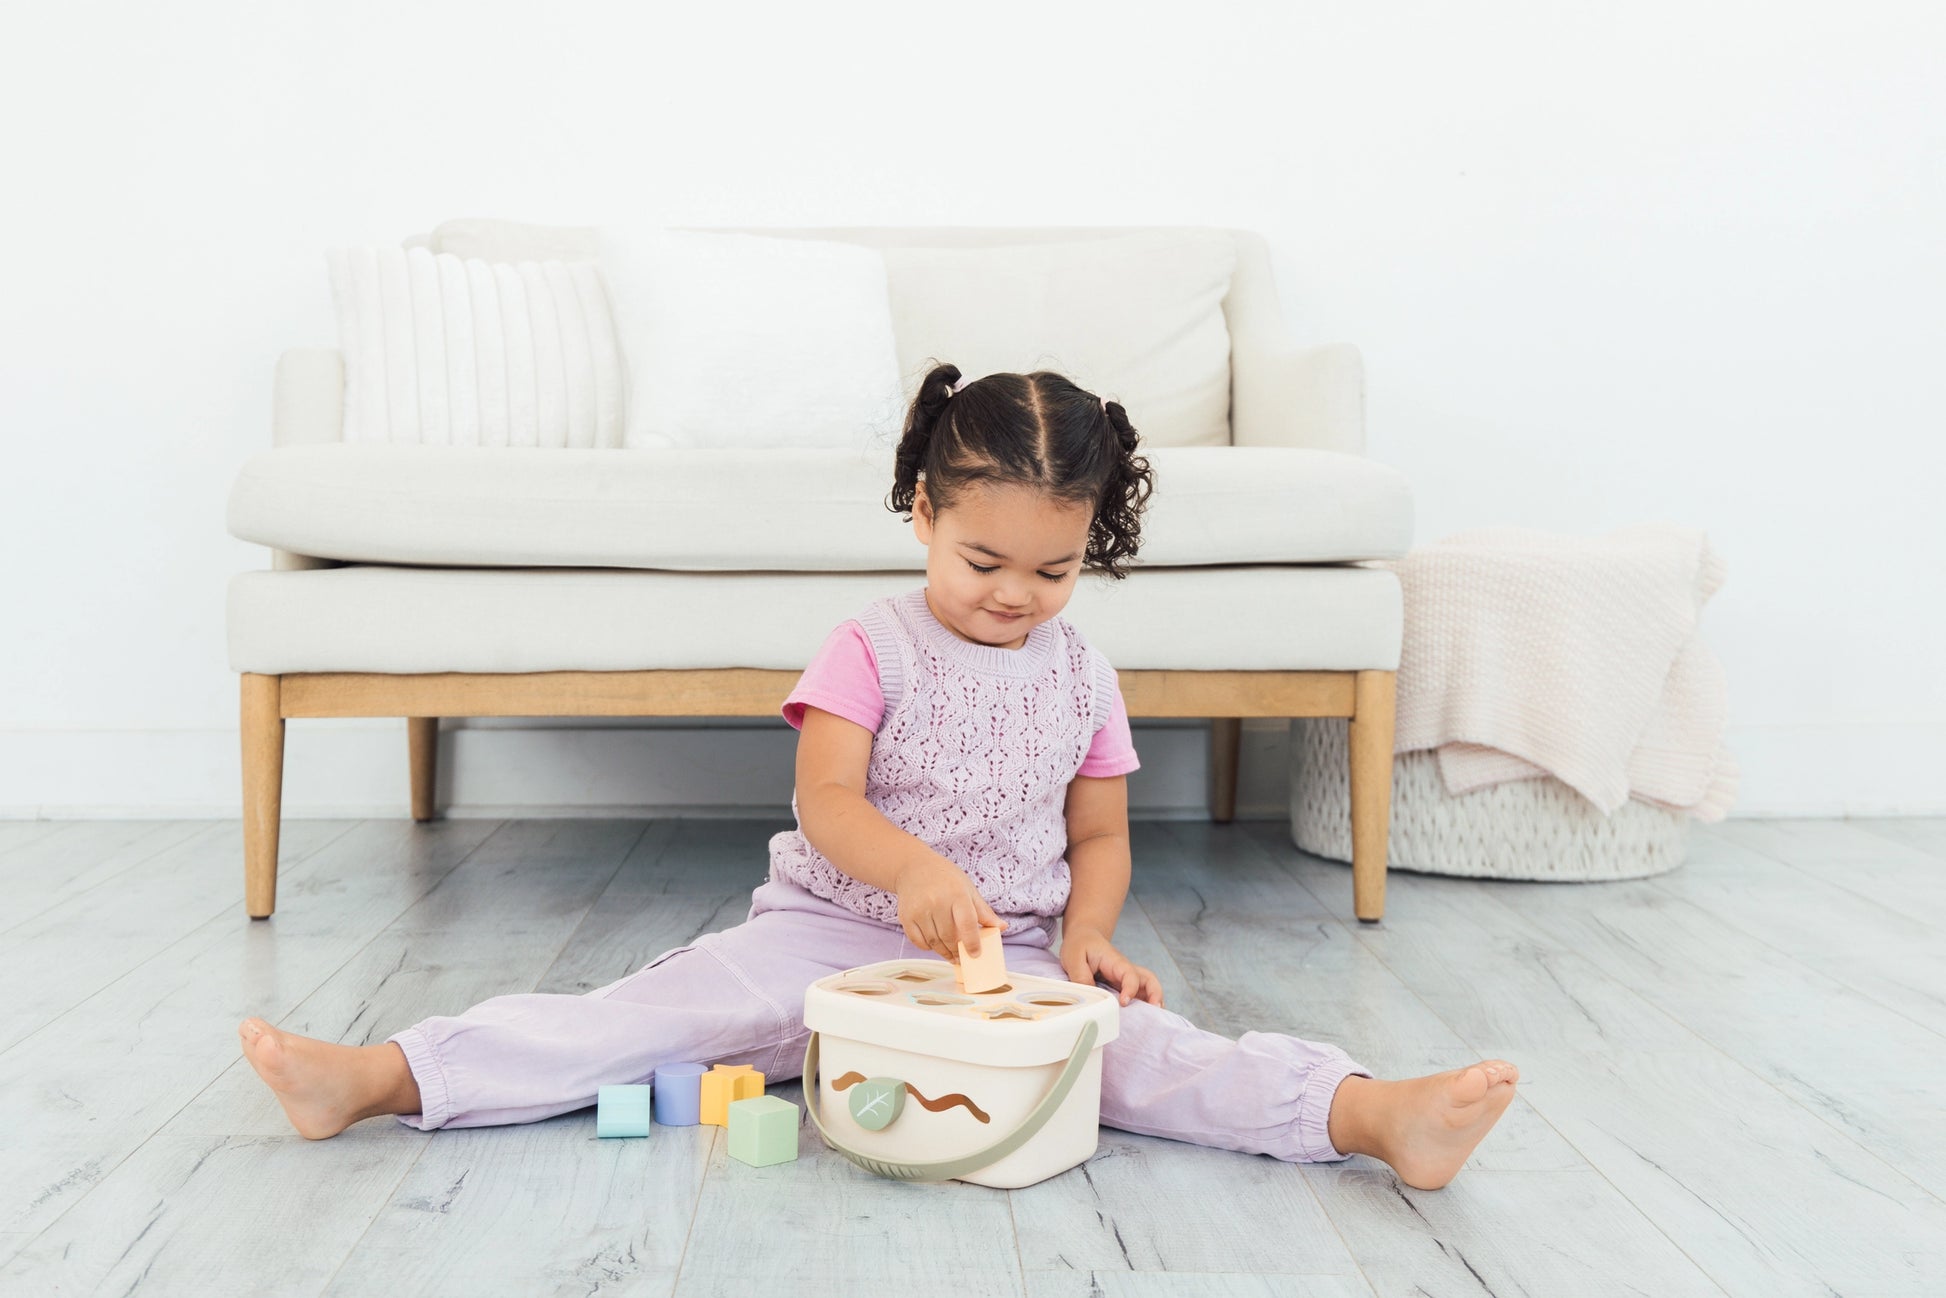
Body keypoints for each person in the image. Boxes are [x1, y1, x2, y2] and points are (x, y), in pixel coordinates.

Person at [238, 365, 1517, 1190]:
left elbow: (1103, 831)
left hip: (1002, 957)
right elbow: (827, 800)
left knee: (1148, 1057)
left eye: (1052, 571)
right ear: (918, 511)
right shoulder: (869, 644)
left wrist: (1083, 934)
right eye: (982, 560)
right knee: (640, 1016)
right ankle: (386, 1076)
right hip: (819, 935)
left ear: (1091, 551)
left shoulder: (1082, 675)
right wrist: (908, 870)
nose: (1014, 594)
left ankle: (1362, 1113)